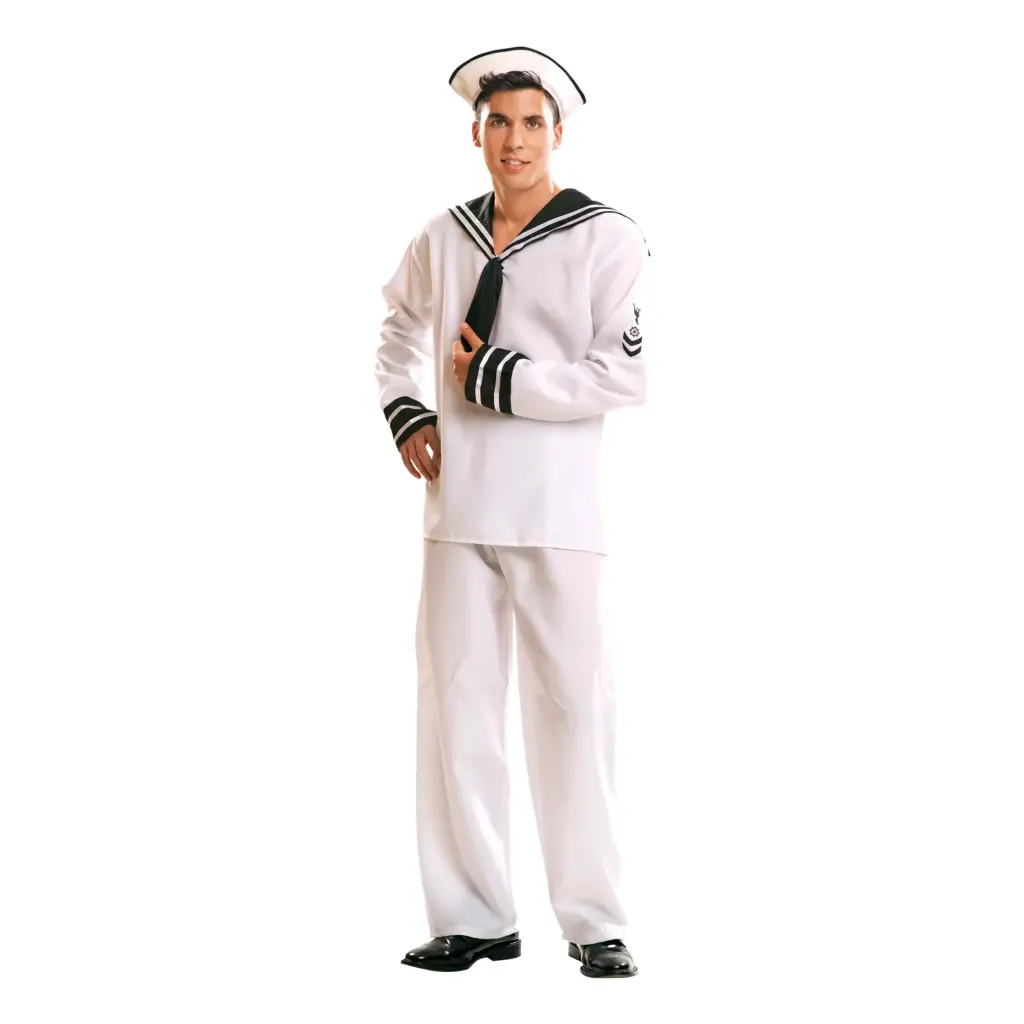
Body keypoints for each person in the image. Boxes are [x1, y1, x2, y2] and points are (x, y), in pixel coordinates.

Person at [374, 45, 650, 979]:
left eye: (533, 123)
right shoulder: (443, 235)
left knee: (574, 708)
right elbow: (397, 324)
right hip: (457, 509)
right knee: (455, 708)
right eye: (499, 123)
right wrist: (408, 408)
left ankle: (595, 920)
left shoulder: (606, 238)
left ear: (557, 133)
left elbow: (624, 373)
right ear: (477, 133)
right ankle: (474, 913)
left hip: (557, 510)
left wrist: (501, 378)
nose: (515, 140)